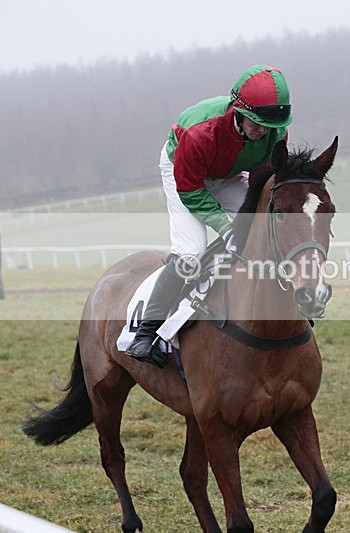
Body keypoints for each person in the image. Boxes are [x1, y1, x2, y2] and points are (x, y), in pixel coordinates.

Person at [126, 64, 292, 367]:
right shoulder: (199, 133)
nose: (263, 132)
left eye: (270, 126)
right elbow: (191, 190)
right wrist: (225, 227)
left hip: (227, 172)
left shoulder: (276, 131)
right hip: (185, 174)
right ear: (239, 111)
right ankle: (146, 333)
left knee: (265, 224)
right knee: (191, 252)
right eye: (257, 123)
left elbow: (264, 176)